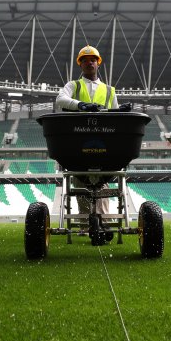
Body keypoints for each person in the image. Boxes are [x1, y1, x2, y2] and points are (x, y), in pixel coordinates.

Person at [55, 45, 132, 241]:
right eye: (85, 60)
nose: (89, 62)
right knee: (81, 183)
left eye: (92, 59)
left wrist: (120, 111)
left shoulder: (109, 90)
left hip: (104, 143)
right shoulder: (73, 85)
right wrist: (80, 105)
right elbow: (60, 100)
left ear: (98, 63)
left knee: (103, 185)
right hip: (79, 142)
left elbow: (115, 118)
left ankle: (102, 223)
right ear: (80, 64)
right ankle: (85, 224)